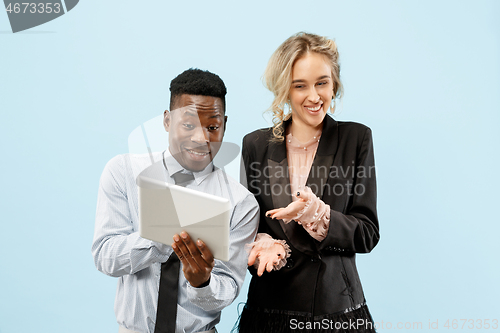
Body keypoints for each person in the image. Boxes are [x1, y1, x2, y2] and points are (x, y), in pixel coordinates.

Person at [92, 69, 259, 333]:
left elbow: (228, 288)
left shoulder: (241, 203)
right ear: (167, 121)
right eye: (189, 125)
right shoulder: (124, 172)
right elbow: (105, 256)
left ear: (224, 124)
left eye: (213, 127)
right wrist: (159, 238)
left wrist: (202, 283)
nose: (201, 138)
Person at [239, 32, 380, 332]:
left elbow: (367, 233)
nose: (314, 96)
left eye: (322, 82)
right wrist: (266, 245)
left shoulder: (356, 139)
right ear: (284, 90)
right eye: (300, 85)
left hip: (335, 311)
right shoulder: (255, 144)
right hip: (270, 311)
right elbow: (245, 228)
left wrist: (318, 214)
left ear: (335, 84)